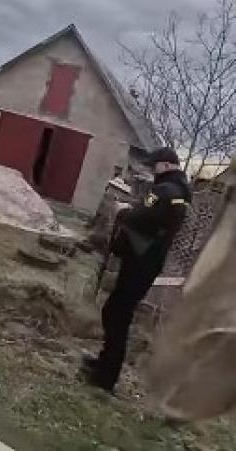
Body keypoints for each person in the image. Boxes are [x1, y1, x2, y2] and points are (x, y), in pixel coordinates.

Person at [81, 146, 191, 393]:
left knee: (116, 314)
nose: (153, 170)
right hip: (147, 261)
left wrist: (123, 210)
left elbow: (139, 216)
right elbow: (154, 219)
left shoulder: (165, 190)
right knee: (118, 312)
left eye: (155, 166)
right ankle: (104, 364)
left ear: (166, 165)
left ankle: (106, 376)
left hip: (141, 262)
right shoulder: (180, 192)